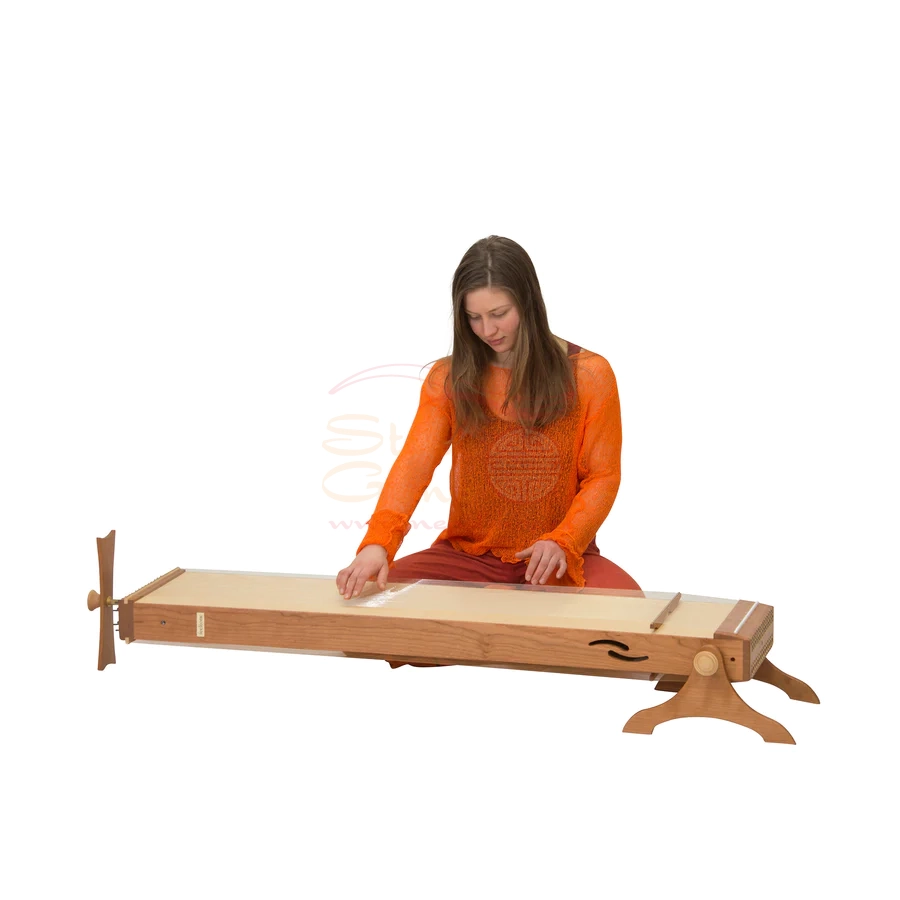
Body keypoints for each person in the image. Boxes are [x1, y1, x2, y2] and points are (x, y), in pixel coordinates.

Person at [335, 235, 641, 622]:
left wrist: (563, 540)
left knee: (630, 617)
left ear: (528, 303)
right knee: (367, 610)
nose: (487, 329)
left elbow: (603, 476)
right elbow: (414, 465)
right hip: (467, 557)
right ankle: (503, 616)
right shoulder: (448, 378)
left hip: (555, 558)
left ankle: (505, 616)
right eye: (473, 317)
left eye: (499, 313)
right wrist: (378, 543)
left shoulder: (590, 375)